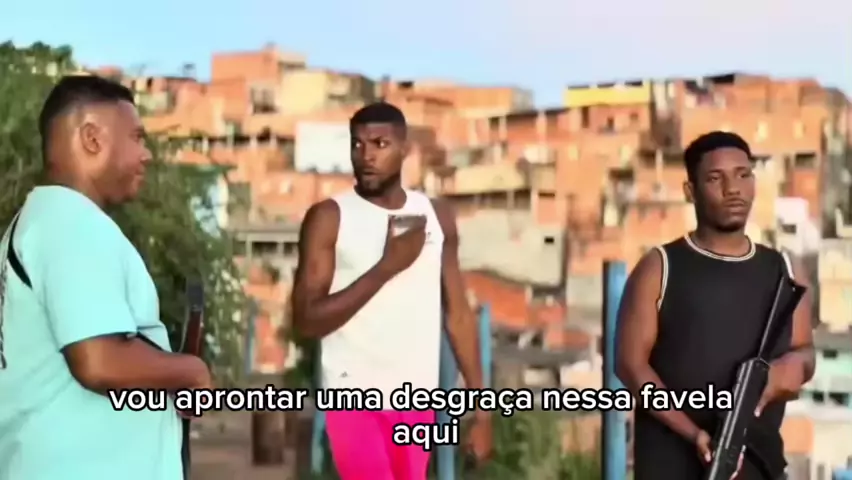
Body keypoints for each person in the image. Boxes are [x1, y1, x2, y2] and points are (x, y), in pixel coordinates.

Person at [0, 75, 212, 480]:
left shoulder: (37, 223)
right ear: (92, 138)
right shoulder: (71, 223)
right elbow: (98, 360)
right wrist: (189, 371)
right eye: (136, 137)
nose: (146, 154)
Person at [292, 102, 492, 480]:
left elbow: (458, 316)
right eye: (357, 144)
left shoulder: (436, 217)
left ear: (405, 150)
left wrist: (482, 411)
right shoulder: (330, 218)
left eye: (380, 144)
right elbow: (306, 319)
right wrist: (386, 268)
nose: (366, 156)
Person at [616, 131, 815, 480]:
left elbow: (805, 352)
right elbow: (630, 366)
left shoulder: (786, 270)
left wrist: (790, 370)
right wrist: (694, 435)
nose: (732, 188)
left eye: (743, 174)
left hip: (762, 467)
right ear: (690, 191)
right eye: (715, 178)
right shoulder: (659, 268)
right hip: (672, 468)